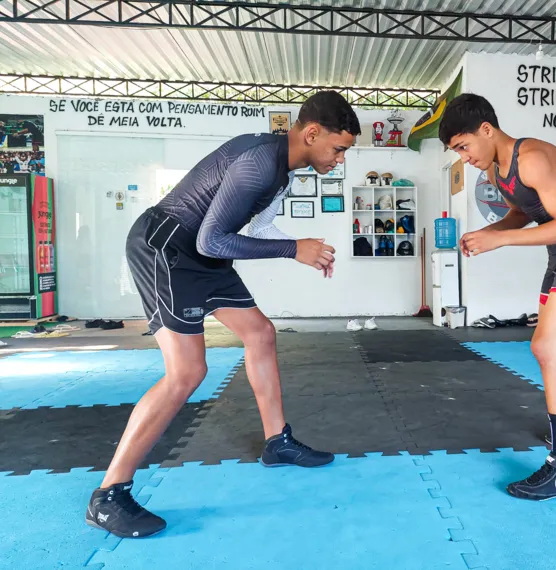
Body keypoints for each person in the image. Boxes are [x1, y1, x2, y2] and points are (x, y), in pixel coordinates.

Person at [86, 91, 361, 538]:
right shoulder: (258, 163)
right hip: (168, 247)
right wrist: (294, 250)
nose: (340, 159)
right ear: (312, 133)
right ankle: (108, 495)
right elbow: (212, 239)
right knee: (187, 373)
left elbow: (261, 230)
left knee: (260, 333)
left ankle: (278, 442)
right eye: (339, 148)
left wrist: (304, 250)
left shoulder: (283, 172)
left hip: (203, 254)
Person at [438, 93, 556, 501]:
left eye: (463, 147)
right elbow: (525, 211)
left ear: (486, 130)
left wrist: (502, 242)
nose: (464, 158)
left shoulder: (531, 157)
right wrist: (491, 232)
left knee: (546, 346)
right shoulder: (500, 171)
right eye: (456, 152)